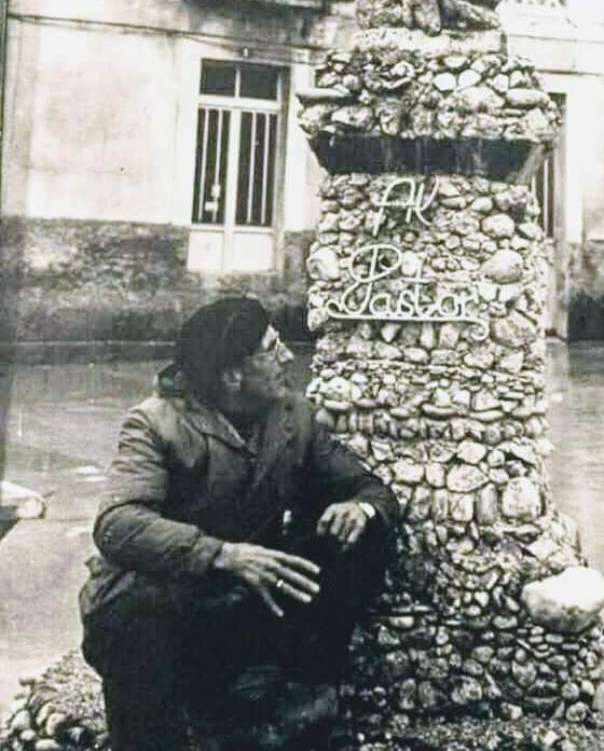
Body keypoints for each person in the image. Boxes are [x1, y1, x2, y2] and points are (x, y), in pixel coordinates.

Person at [79, 297, 398, 751]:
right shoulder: (155, 423)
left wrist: (359, 508)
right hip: (161, 618)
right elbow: (118, 523)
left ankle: (300, 697)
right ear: (232, 374)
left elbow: (369, 488)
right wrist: (221, 555)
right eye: (272, 348)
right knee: (138, 609)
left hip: (239, 608)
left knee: (360, 534)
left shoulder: (293, 417)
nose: (288, 356)